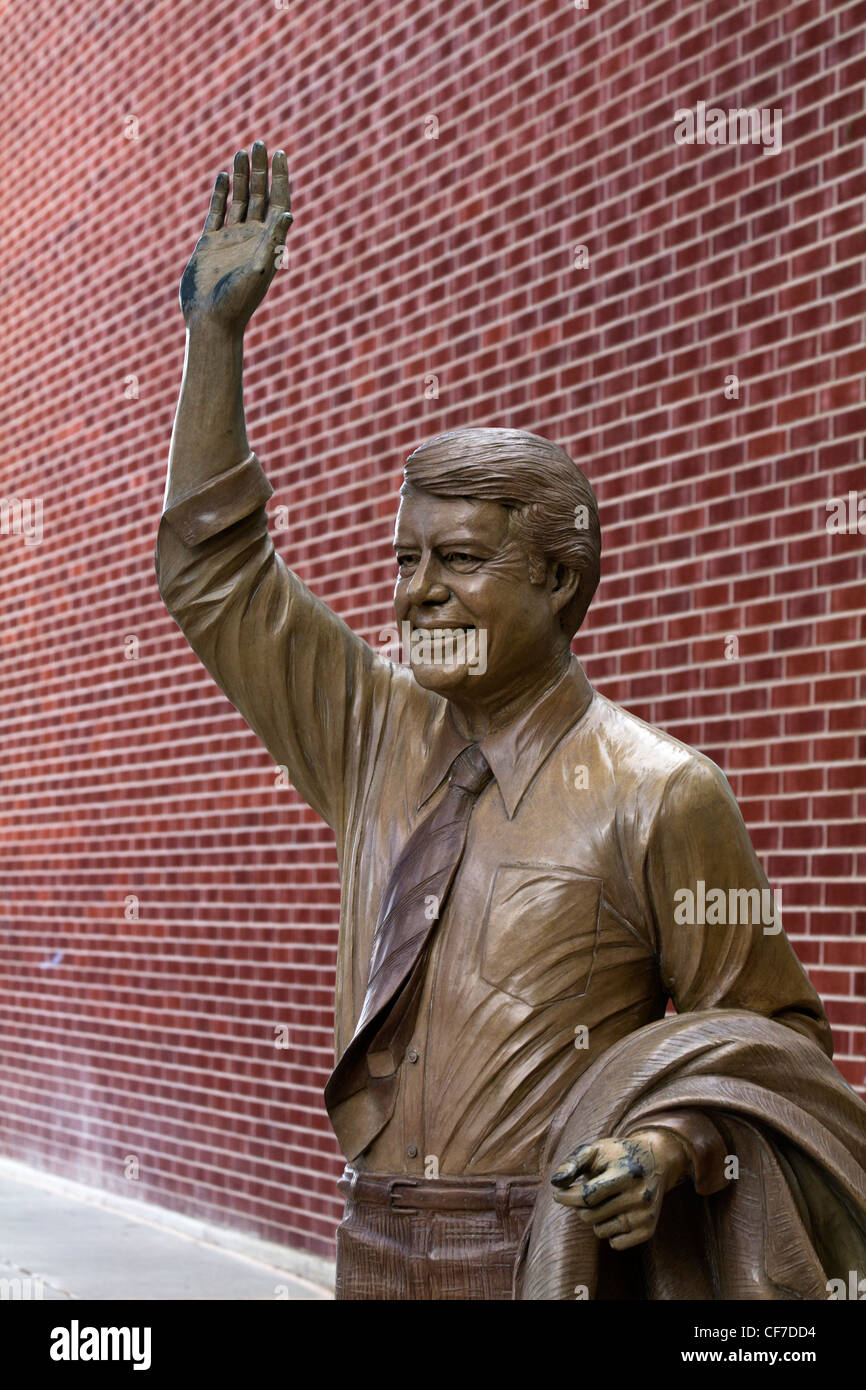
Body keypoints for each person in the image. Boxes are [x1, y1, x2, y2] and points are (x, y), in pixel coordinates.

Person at [156, 143, 866, 1300]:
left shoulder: (658, 790)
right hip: (370, 1245)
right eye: (404, 559)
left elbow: (773, 1043)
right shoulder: (370, 731)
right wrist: (214, 341)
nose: (415, 591)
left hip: (544, 1258)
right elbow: (216, 577)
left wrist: (668, 1151)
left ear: (557, 580)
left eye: (461, 560)